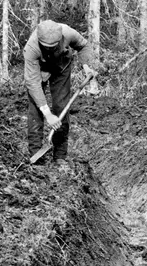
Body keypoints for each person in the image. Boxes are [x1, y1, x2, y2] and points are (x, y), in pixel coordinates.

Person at [23, 19, 99, 169]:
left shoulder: (67, 32)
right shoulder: (31, 48)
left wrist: (87, 66)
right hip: (40, 69)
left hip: (61, 67)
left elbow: (83, 46)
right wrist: (47, 114)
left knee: (61, 108)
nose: (50, 49)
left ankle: (60, 155)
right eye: (47, 47)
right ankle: (36, 154)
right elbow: (32, 83)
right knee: (36, 109)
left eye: (53, 46)